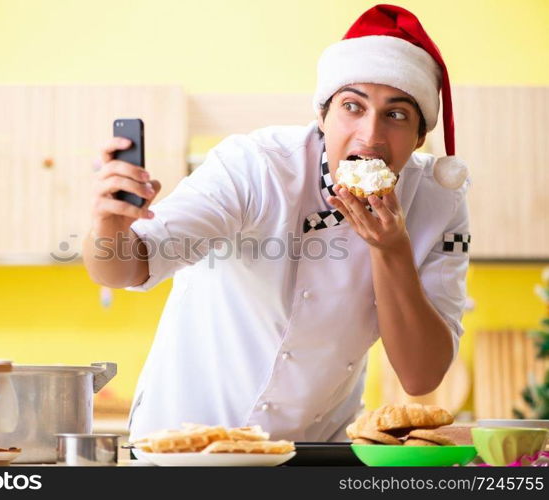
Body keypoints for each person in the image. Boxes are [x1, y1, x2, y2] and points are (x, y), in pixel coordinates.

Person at [83, 4, 471, 442]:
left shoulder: (439, 200)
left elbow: (422, 376)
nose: (371, 135)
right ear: (322, 116)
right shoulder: (256, 166)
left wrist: (391, 250)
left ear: (421, 136)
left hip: (311, 451)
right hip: (184, 442)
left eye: (396, 114)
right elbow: (126, 268)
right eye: (352, 106)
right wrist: (109, 225)